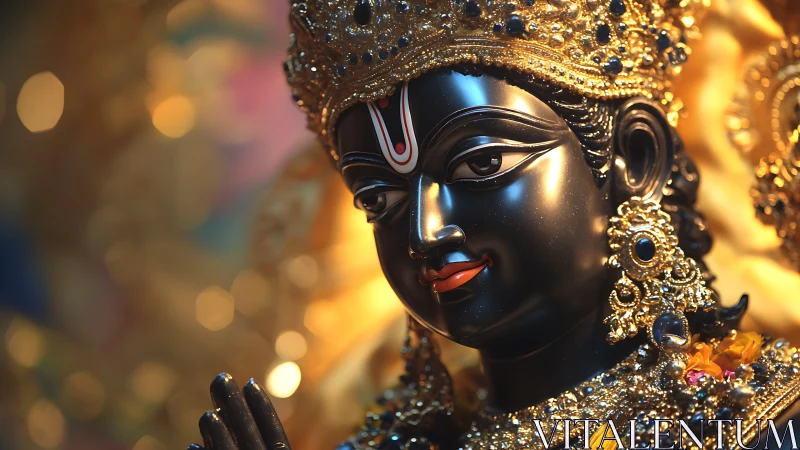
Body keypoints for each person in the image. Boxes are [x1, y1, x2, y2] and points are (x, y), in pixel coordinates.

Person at [188, 0, 800, 448]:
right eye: (381, 201)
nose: (425, 234)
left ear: (634, 160)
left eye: (481, 163)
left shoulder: (760, 423)